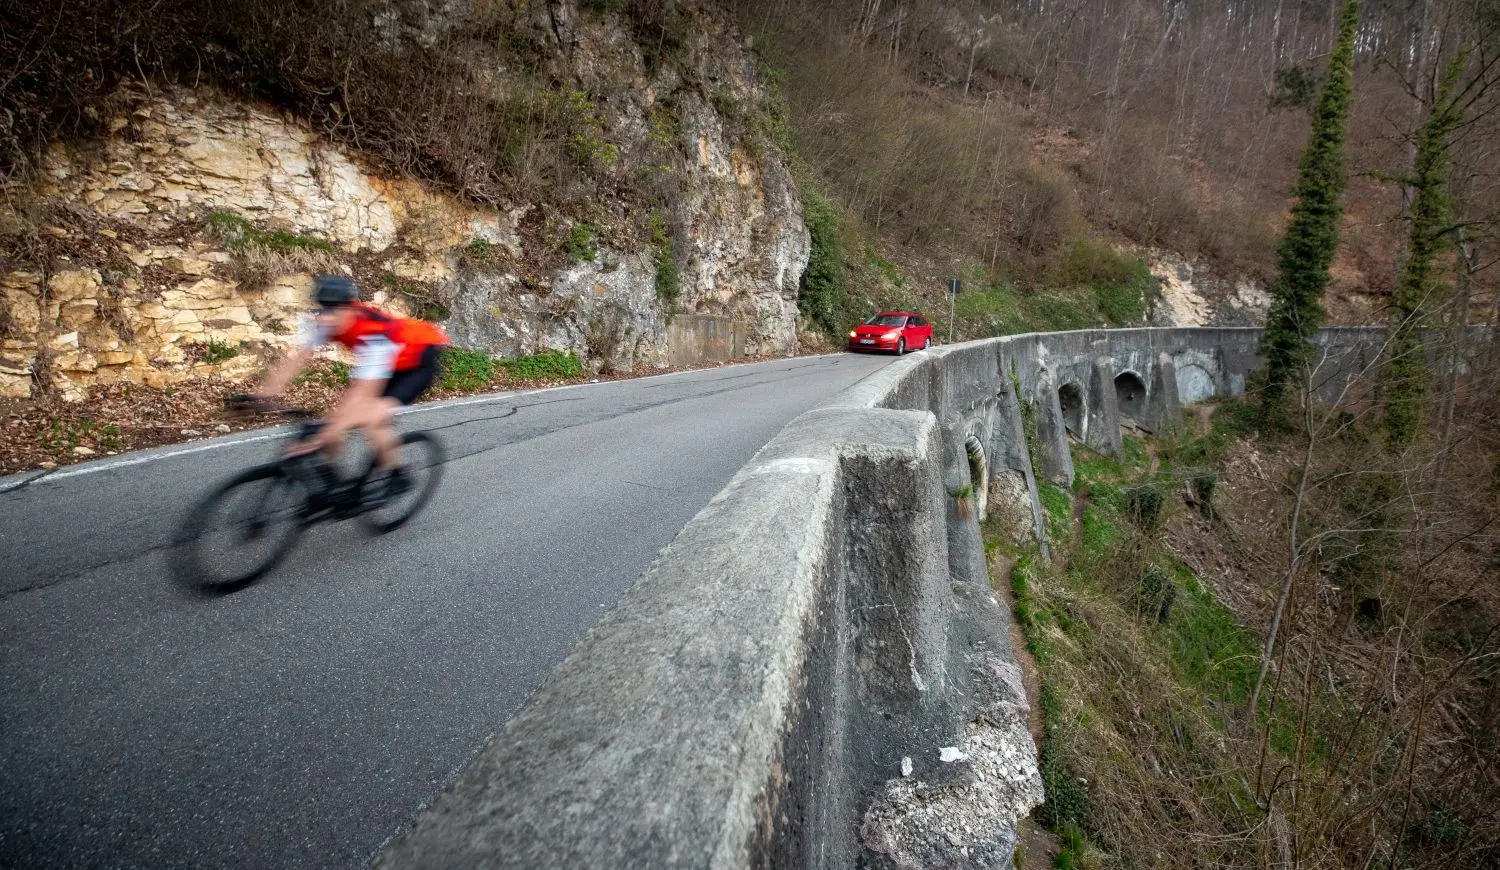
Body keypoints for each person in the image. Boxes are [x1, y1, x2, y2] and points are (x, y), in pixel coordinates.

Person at [251, 274, 448, 499]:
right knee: (333, 422)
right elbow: (296, 360)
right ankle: (331, 483)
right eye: (323, 310)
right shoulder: (328, 322)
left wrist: (322, 436)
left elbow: (363, 392)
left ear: (350, 309)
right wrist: (262, 394)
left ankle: (397, 474)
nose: (327, 317)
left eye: (334, 311)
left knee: (372, 419)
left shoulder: (375, 333)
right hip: (388, 362)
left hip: (417, 361)